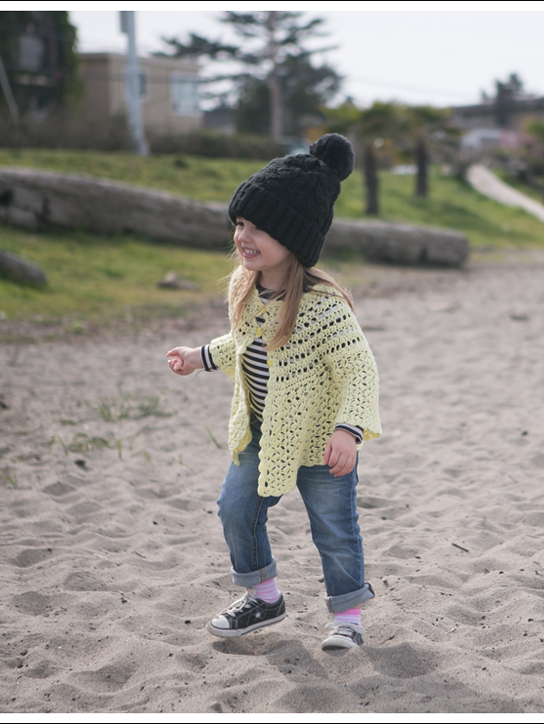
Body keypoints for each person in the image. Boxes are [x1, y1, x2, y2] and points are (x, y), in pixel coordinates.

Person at [165, 134, 381, 651]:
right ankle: (263, 596)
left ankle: (347, 615)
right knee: (235, 509)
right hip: (261, 434)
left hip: (321, 443)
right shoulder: (247, 289)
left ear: (294, 237)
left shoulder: (324, 308)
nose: (244, 235)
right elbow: (242, 344)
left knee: (333, 529)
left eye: (259, 227)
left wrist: (348, 431)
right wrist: (201, 357)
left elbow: (360, 372)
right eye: (240, 223)